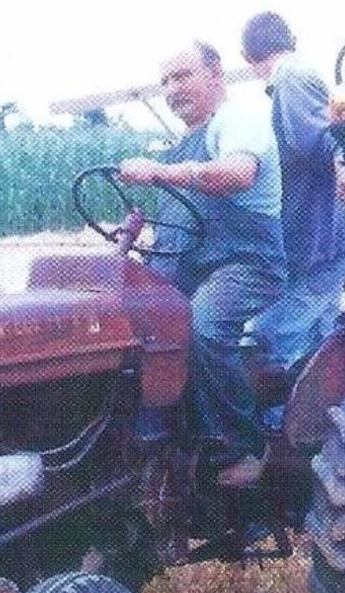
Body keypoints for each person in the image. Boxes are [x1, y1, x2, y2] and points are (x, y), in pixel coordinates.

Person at [117, 41, 285, 488]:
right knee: (123, 325)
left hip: (246, 262)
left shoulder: (239, 120)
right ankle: (143, 446)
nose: (171, 90)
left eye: (182, 76)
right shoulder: (176, 149)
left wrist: (158, 172)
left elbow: (237, 174)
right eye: (165, 82)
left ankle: (244, 445)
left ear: (216, 73)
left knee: (202, 326)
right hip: (190, 266)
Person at [239, 11, 345, 370]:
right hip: (315, 238)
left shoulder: (292, 77)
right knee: (314, 340)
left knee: (275, 338)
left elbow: (328, 140)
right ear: (292, 39)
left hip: (314, 239)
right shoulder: (289, 81)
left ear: (248, 57)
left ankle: (282, 419)